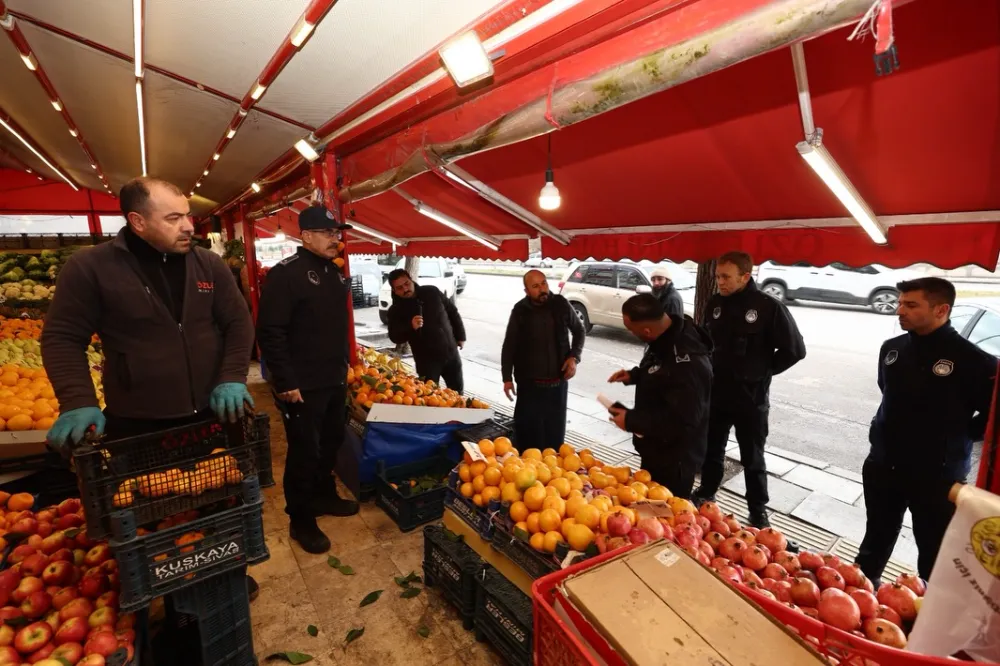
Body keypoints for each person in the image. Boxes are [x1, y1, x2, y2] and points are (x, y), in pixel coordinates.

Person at [41, 176, 257, 593]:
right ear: (137, 222)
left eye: (188, 215)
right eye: (173, 218)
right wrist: (77, 400)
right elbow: (63, 336)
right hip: (140, 422)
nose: (188, 226)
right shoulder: (90, 269)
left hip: (213, 415)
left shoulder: (207, 265)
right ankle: (171, 589)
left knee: (221, 499)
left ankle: (223, 574)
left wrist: (232, 376)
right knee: (152, 511)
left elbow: (238, 322)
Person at [857, 278, 996, 583]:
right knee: (874, 541)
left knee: (934, 555)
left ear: (941, 310)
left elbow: (992, 417)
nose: (899, 310)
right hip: (884, 465)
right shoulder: (892, 349)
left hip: (937, 476)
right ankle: (861, 594)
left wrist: (958, 435)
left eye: (911, 305)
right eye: (900, 303)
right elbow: (888, 391)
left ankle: (926, 607)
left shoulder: (975, 361)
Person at [256, 205, 359, 554]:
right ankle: (300, 518)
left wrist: (345, 365)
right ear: (306, 236)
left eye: (336, 233)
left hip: (333, 378)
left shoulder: (333, 272)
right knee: (304, 452)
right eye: (328, 233)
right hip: (301, 385)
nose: (335, 239)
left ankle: (323, 496)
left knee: (330, 443)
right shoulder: (286, 274)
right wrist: (285, 381)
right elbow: (271, 332)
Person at [692, 251, 806, 527]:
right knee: (712, 449)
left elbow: (795, 350)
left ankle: (757, 510)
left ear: (745, 276)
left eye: (726, 277)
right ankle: (706, 493)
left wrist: (763, 372)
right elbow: (705, 341)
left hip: (750, 398)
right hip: (717, 393)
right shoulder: (715, 303)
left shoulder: (768, 307)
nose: (720, 282)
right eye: (718, 276)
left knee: (752, 457)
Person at [607, 294, 713, 497]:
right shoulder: (665, 336)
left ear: (647, 331)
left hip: (675, 459)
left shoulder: (688, 362)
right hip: (655, 447)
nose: (630, 333)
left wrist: (631, 420)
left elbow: (683, 419)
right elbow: (662, 371)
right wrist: (635, 375)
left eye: (631, 329)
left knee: (667, 510)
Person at [501, 270, 585, 448]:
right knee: (528, 437)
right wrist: (507, 378)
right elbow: (509, 345)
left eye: (544, 283)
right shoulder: (520, 310)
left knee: (554, 437)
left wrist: (574, 357)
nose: (542, 289)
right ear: (526, 291)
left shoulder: (561, 304)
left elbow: (579, 331)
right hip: (529, 387)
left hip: (557, 385)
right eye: (535, 286)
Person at [386, 268, 466, 393]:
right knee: (430, 396)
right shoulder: (395, 310)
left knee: (458, 393)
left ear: (411, 280)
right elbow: (394, 336)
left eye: (407, 284)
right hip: (427, 363)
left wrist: (460, 336)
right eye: (399, 288)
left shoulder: (431, 292)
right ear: (394, 291)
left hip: (450, 353)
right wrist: (410, 327)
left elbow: (452, 311)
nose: (405, 289)